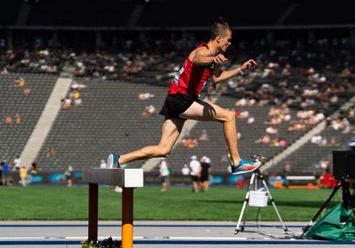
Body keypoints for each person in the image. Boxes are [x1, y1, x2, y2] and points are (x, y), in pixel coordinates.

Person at [106, 18, 260, 175]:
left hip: (175, 100)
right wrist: (213, 59)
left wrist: (240, 69)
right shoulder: (203, 51)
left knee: (163, 149)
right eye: (228, 40)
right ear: (218, 38)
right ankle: (236, 162)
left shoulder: (214, 57)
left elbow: (217, 78)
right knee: (229, 116)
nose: (229, 43)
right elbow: (198, 59)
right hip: (181, 99)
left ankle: (119, 159)